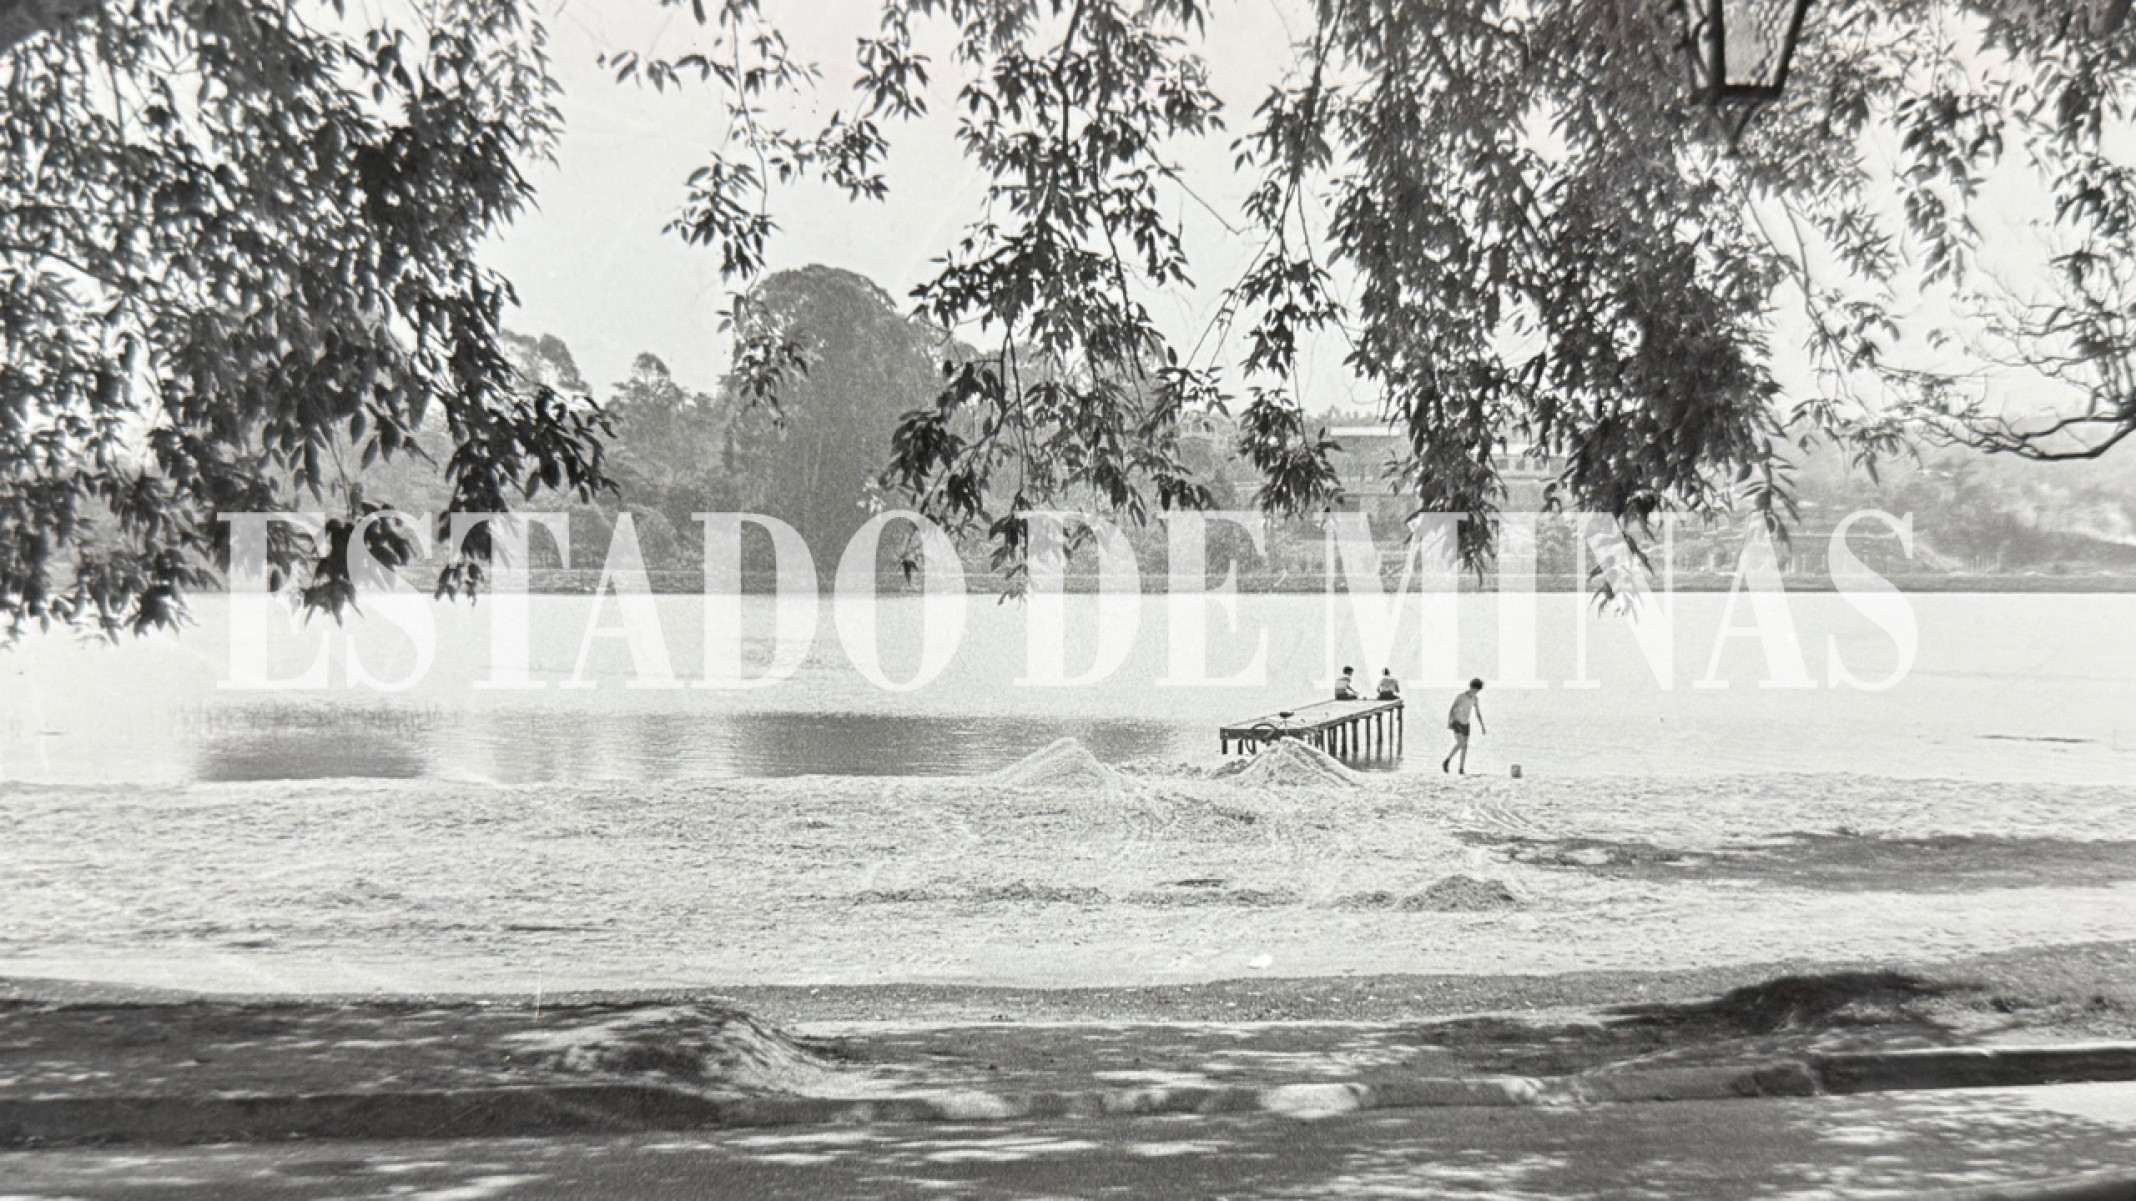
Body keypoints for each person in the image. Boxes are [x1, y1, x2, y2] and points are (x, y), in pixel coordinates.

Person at [1442, 678, 1486, 774]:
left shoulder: (1475, 699)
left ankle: (1461, 769)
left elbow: (1478, 713)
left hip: (1466, 723)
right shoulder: (1461, 696)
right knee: (1460, 743)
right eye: (1476, 690)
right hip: (1456, 721)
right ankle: (1447, 760)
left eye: (1478, 691)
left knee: (1465, 746)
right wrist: (1449, 722)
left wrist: (1482, 726)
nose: (1476, 692)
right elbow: (1452, 709)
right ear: (1472, 687)